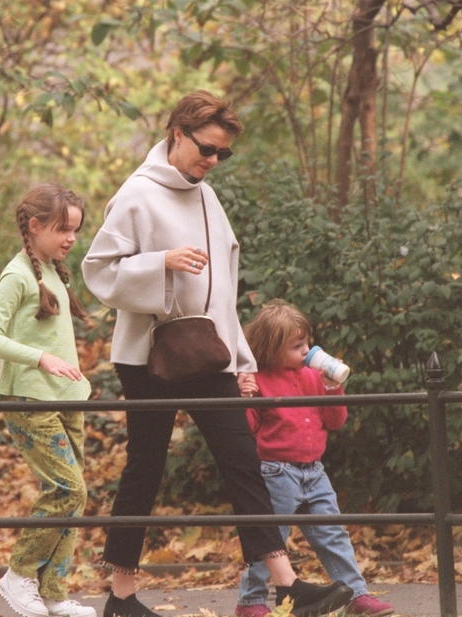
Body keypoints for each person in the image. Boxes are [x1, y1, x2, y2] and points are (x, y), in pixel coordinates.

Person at [81, 90, 354, 617]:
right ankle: (120, 596)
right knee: (145, 469)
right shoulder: (136, 195)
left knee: (242, 461)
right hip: (149, 358)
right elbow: (99, 271)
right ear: (177, 133)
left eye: (222, 154)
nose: (212, 161)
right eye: (206, 149)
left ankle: (287, 585)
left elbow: (222, 291)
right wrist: (160, 262)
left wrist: (243, 363)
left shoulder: (207, 196)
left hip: (210, 356)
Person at [0, 183, 97, 617]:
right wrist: (42, 358)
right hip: (29, 397)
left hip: (67, 398)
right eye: (62, 229)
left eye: (75, 230)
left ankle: (52, 592)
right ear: (34, 226)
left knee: (75, 496)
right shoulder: (17, 274)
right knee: (67, 488)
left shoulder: (52, 268)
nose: (70, 238)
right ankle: (19, 575)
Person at [235, 300, 394, 617]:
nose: (307, 350)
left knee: (332, 533)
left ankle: (354, 596)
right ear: (272, 349)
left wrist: (333, 388)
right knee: (271, 538)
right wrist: (244, 398)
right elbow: (249, 428)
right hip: (276, 471)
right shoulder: (259, 380)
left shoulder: (311, 376)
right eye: (298, 346)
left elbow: (335, 421)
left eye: (306, 342)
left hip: (314, 471)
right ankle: (250, 601)